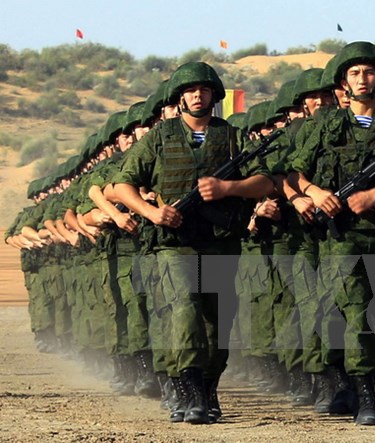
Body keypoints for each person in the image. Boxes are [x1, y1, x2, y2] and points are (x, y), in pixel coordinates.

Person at [113, 61, 273, 424]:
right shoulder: (159, 136)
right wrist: (151, 213)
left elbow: (266, 182)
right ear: (179, 97)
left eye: (203, 90)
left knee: (218, 319)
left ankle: (209, 387)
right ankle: (190, 390)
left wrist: (228, 188)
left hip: (220, 241)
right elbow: (122, 184)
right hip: (175, 242)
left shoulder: (233, 136)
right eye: (189, 90)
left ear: (214, 95)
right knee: (184, 308)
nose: (197, 96)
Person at [288, 41, 375, 425]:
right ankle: (363, 391)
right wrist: (316, 194)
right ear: (343, 83)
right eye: (354, 73)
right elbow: (294, 173)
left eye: (368, 72)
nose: (362, 79)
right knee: (352, 309)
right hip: (341, 235)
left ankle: (353, 382)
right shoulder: (325, 125)